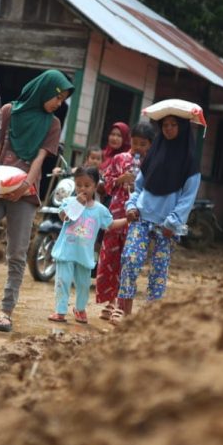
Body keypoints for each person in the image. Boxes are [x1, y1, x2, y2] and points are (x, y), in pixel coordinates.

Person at [0, 69, 73, 333]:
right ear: (44, 90)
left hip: (25, 194)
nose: (58, 103)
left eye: (62, 99)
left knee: (17, 252)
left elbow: (39, 160)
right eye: (57, 97)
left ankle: (5, 311)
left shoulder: (52, 124)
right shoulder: (9, 111)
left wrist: (24, 186)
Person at [113, 114, 201, 325]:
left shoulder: (190, 160)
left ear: (183, 128)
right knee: (130, 259)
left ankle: (149, 318)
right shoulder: (154, 153)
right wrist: (131, 205)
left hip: (167, 224)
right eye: (165, 125)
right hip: (142, 215)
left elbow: (188, 197)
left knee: (159, 271)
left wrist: (173, 223)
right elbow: (139, 185)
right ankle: (123, 310)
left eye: (174, 125)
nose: (169, 129)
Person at [48, 166, 127, 324]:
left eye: (87, 185)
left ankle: (80, 308)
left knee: (83, 285)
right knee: (62, 281)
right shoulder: (68, 202)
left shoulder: (100, 210)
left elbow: (110, 225)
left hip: (84, 255)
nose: (82, 188)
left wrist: (127, 220)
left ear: (96, 186)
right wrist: (77, 203)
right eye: (79, 185)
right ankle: (60, 311)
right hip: (66, 252)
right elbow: (64, 217)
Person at [95, 121, 155, 320]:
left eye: (143, 144)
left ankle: (121, 304)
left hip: (137, 218)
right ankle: (110, 302)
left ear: (150, 145)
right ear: (130, 141)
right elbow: (106, 185)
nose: (138, 147)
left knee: (127, 261)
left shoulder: (152, 164)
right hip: (116, 214)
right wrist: (122, 179)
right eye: (135, 143)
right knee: (109, 259)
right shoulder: (120, 158)